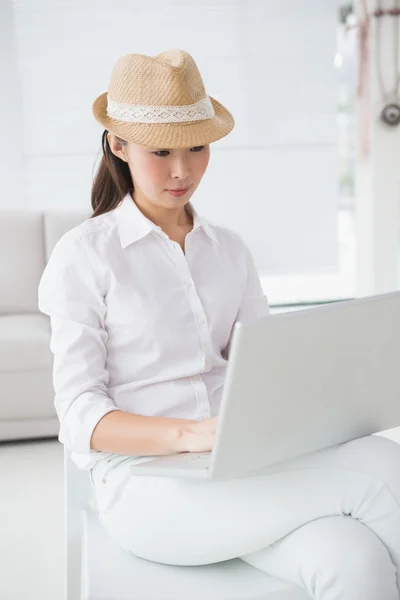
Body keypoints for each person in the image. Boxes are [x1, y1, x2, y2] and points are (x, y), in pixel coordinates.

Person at [38, 49, 400, 600]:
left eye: (197, 148)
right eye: (161, 151)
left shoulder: (229, 250)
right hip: (147, 487)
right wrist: (190, 434)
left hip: (246, 470)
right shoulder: (85, 255)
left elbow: (266, 370)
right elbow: (79, 414)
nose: (181, 171)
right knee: (381, 469)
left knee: (354, 560)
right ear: (118, 145)